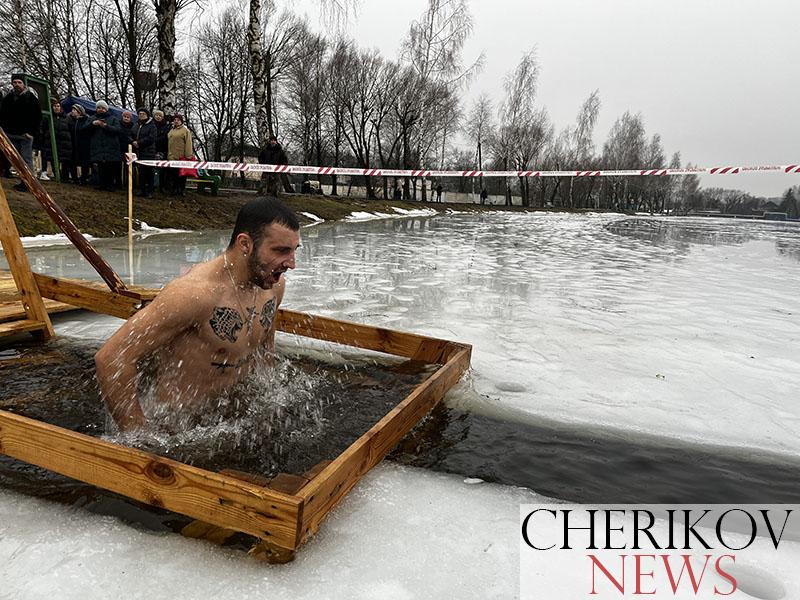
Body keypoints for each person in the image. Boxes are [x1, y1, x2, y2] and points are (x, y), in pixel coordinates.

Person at [95, 197, 301, 432]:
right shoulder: (193, 294)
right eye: (281, 251)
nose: (291, 263)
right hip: (177, 431)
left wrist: (267, 404)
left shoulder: (273, 285)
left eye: (294, 251)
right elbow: (111, 358)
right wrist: (138, 434)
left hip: (233, 423)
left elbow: (265, 351)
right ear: (245, 244)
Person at [0, 73, 42, 192]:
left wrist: (31, 132)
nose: (17, 84)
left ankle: (27, 183)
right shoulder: (8, 98)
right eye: (15, 82)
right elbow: (2, 114)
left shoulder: (31, 98)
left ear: (24, 84)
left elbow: (37, 117)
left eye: (19, 82)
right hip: (9, 134)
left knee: (25, 160)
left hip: (25, 136)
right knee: (8, 158)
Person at [80, 100, 121, 192]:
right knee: (100, 167)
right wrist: (93, 124)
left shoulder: (113, 118)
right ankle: (102, 184)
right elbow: (84, 129)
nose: (100, 109)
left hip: (111, 148)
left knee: (110, 167)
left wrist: (105, 126)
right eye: (98, 108)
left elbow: (117, 130)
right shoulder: (92, 118)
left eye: (102, 108)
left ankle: (110, 185)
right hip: (97, 147)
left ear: (106, 109)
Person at [41, 100, 74, 182]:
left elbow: (71, 129)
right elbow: (43, 128)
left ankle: (65, 177)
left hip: (64, 143)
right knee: (53, 159)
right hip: (52, 142)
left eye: (58, 106)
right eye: (55, 106)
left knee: (65, 160)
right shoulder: (48, 117)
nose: (56, 108)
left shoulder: (67, 118)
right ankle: (57, 174)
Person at [132, 108, 157, 197]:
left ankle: (150, 191)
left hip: (149, 152)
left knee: (149, 172)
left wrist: (139, 143)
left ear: (147, 115)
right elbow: (132, 134)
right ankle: (141, 189)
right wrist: (133, 142)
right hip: (139, 152)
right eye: (140, 114)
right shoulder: (136, 125)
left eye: (143, 114)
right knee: (141, 172)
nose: (141, 115)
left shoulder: (152, 126)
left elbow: (151, 138)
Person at [166, 113, 192, 196]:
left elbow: (188, 143)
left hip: (181, 156)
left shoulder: (185, 131)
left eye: (178, 120)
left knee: (182, 174)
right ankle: (174, 189)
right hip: (171, 156)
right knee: (173, 174)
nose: (176, 121)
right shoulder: (171, 130)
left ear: (181, 121)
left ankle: (181, 189)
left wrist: (188, 155)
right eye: (175, 120)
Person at [69, 104, 92, 184]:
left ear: (79, 112)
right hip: (73, 144)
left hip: (83, 145)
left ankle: (84, 178)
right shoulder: (71, 120)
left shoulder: (86, 120)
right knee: (73, 161)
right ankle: (74, 178)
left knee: (84, 162)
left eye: (74, 110)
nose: (72, 111)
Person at [152, 109, 169, 192]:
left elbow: (166, 137)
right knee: (153, 169)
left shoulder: (166, 126)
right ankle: (153, 185)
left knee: (162, 169)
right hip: (152, 150)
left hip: (162, 150)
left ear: (162, 117)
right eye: (157, 115)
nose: (158, 117)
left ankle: (162, 186)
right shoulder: (151, 125)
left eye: (160, 116)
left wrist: (155, 139)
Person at [117, 110, 136, 188]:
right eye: (124, 117)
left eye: (128, 117)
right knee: (119, 166)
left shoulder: (133, 126)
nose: (126, 118)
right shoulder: (118, 125)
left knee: (129, 166)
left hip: (130, 149)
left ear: (130, 118)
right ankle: (119, 182)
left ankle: (129, 183)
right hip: (120, 148)